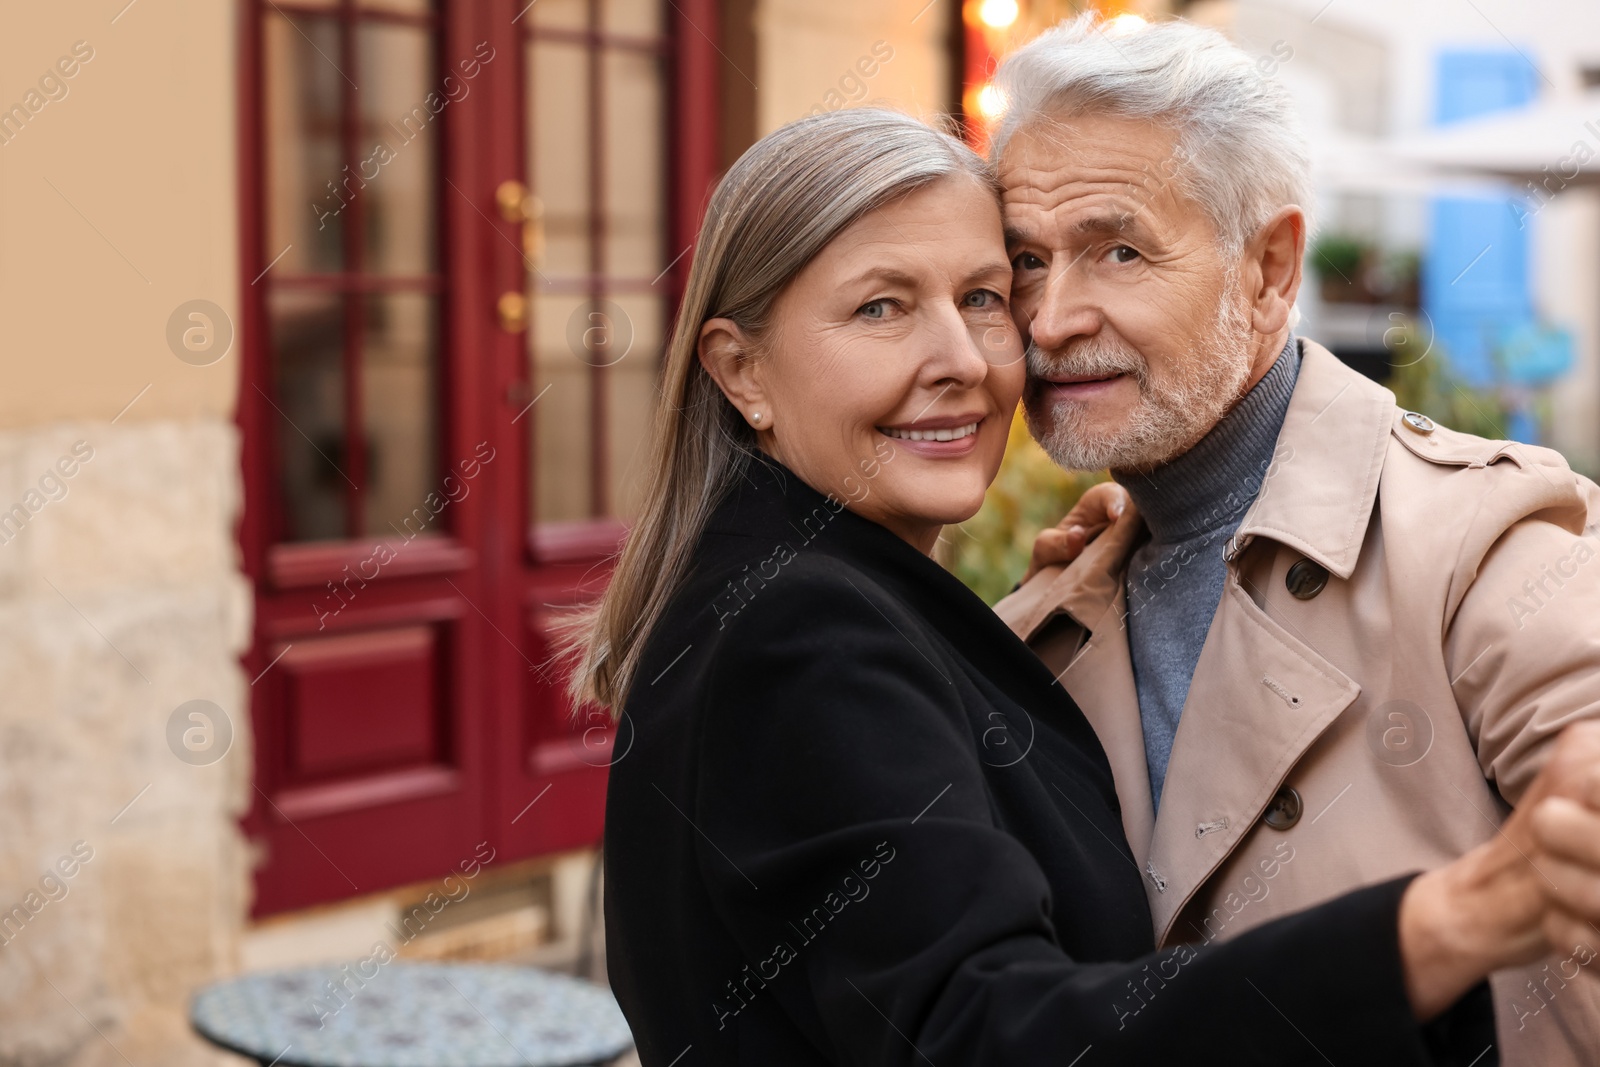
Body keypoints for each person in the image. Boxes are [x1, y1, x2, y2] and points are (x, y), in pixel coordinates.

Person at [562, 107, 1600, 1066]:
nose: (969, 356)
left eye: (980, 294)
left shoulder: (858, 599)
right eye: (882, 307)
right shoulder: (800, 631)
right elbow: (987, 1034)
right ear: (741, 371)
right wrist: (1445, 922)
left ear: (1269, 269)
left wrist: (1024, 629)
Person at [991, 15, 1600, 1065]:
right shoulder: (1040, 619)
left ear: (1269, 268)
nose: (1047, 318)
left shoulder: (1480, 542)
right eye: (1023, 263)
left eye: (1118, 249)